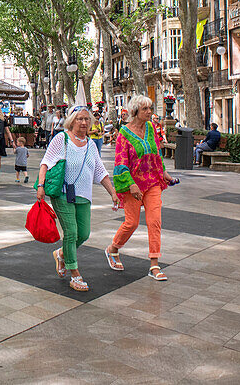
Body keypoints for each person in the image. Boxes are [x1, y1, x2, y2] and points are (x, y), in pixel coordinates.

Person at [36, 105, 118, 293]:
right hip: (63, 193)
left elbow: (100, 171)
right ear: (72, 121)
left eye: (87, 119)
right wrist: (41, 186)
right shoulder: (61, 139)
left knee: (84, 234)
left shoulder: (91, 144)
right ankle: (75, 273)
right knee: (71, 233)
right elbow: (45, 163)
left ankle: (61, 254)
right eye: (80, 119)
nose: (83, 122)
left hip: (83, 195)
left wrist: (112, 192)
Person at [107, 94, 174, 282]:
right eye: (145, 109)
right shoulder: (123, 133)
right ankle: (113, 248)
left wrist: (165, 173)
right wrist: (131, 184)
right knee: (132, 223)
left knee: (155, 222)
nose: (150, 112)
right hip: (132, 184)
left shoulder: (151, 128)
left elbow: (157, 153)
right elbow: (120, 162)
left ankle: (154, 264)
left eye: (150, 108)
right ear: (135, 111)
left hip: (153, 181)